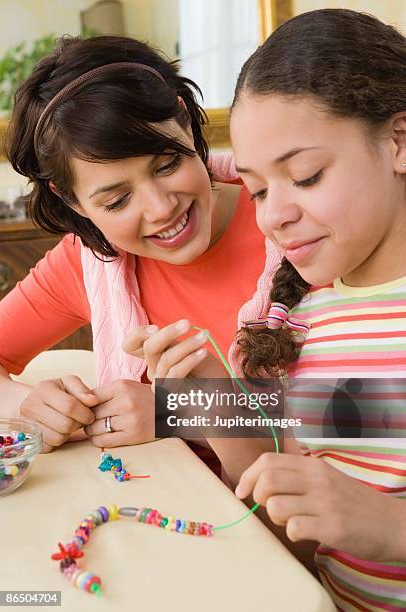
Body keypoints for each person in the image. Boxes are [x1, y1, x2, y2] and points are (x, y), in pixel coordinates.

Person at [126, 9, 406, 609]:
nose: (272, 216)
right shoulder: (305, 320)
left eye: (304, 176)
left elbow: (368, 526)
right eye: (256, 188)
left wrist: (389, 527)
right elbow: (303, 547)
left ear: (398, 142)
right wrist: (218, 407)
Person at [0, 35, 281, 456]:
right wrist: (28, 406)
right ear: (69, 198)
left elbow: (380, 410)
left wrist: (174, 413)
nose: (161, 208)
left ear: (184, 121)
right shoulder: (91, 262)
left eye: (167, 164)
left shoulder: (294, 224)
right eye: (117, 200)